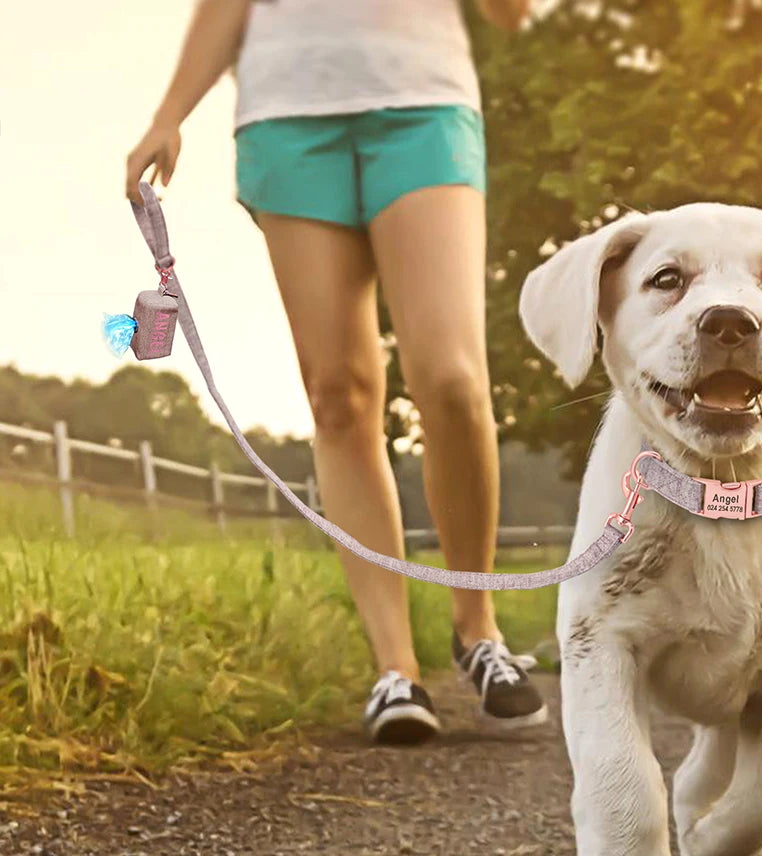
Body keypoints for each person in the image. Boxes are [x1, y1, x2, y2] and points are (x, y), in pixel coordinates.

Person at [125, 0, 546, 744]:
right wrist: (169, 112)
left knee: (451, 380)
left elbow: (510, 17)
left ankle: (477, 629)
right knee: (339, 394)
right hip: (286, 115)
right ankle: (395, 669)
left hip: (424, 103)